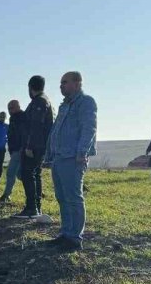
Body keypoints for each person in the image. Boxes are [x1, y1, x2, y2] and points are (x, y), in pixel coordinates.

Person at [44, 71, 97, 251]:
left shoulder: (86, 102)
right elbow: (55, 130)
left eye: (65, 82)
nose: (61, 86)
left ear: (77, 83)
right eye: (60, 83)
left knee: (73, 198)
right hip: (59, 158)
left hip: (73, 158)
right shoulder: (63, 106)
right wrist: (49, 154)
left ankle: (74, 238)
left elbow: (89, 128)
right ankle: (66, 234)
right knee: (62, 197)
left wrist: (82, 152)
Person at [16, 75, 55, 218]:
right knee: (35, 174)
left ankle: (31, 208)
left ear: (30, 87)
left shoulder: (39, 102)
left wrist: (29, 146)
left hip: (35, 146)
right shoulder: (43, 101)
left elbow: (36, 126)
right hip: (39, 145)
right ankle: (36, 208)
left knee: (28, 174)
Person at [0, 100, 26, 203]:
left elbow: (23, 134)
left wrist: (21, 147)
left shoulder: (22, 117)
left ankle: (6, 195)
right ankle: (36, 190)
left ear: (18, 106)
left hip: (19, 149)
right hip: (15, 150)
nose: (10, 110)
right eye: (9, 108)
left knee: (11, 172)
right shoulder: (13, 118)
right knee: (20, 174)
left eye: (12, 108)